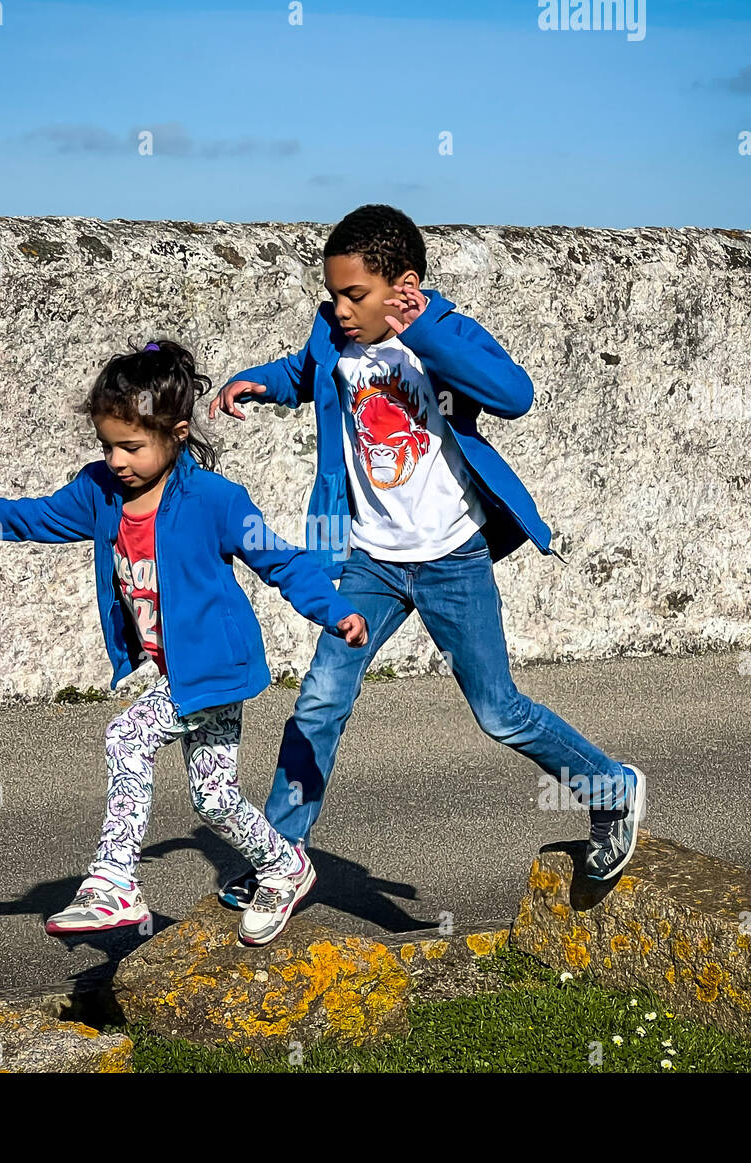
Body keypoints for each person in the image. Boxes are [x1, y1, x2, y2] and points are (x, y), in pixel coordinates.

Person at [207, 203, 647, 907]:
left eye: (357, 295)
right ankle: (281, 857)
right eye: (335, 295)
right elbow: (303, 372)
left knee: (498, 710)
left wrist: (427, 328)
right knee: (320, 699)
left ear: (403, 286)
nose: (342, 309)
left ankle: (611, 789)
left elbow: (515, 393)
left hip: (452, 557)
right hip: (370, 562)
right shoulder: (333, 335)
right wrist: (255, 381)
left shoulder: (437, 334)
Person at [0, 340, 368, 946]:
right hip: (179, 671)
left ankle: (115, 883)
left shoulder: (215, 501)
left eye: (132, 446)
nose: (118, 459)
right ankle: (286, 866)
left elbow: (282, 560)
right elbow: (37, 518)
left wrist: (333, 610)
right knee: (214, 799)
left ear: (177, 434)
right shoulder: (100, 492)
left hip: (216, 667)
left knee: (127, 734)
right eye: (108, 444)